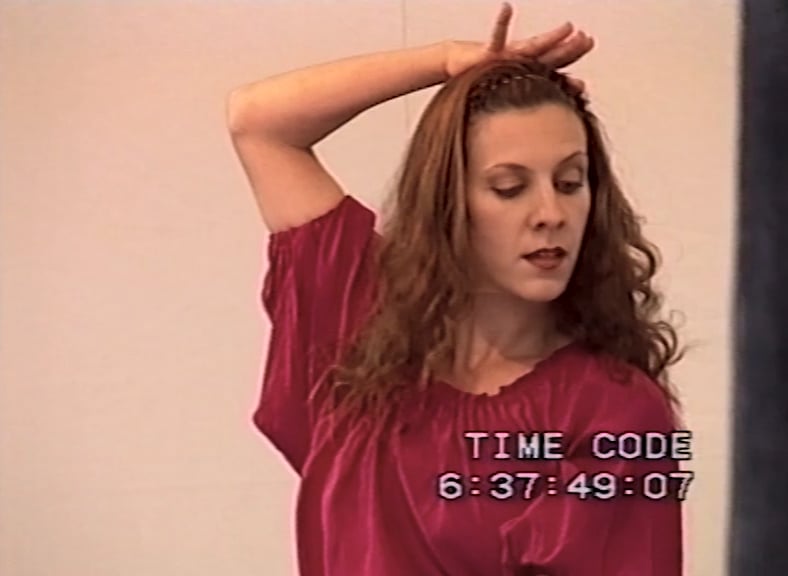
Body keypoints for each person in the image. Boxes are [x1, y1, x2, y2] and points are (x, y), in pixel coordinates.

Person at [227, 2, 688, 575]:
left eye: (571, 182)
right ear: (446, 202)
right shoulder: (355, 316)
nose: (552, 212)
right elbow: (260, 122)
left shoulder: (613, 413)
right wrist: (446, 61)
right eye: (509, 187)